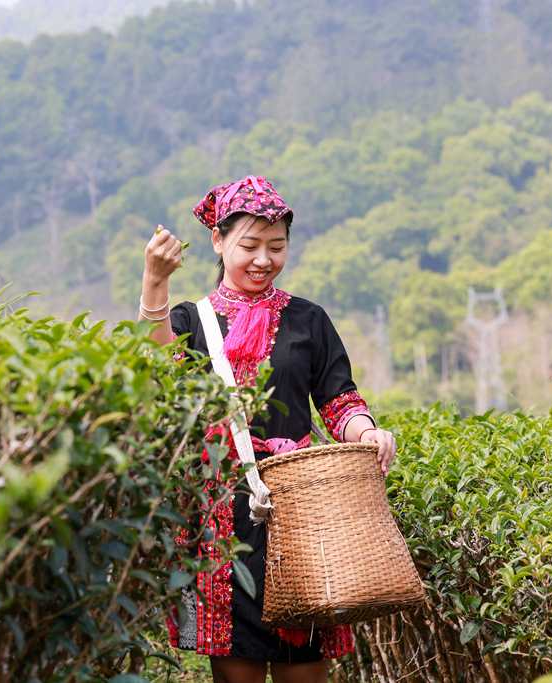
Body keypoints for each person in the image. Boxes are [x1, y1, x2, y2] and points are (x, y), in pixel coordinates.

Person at [138, 175, 397, 683]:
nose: (264, 260)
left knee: (306, 669)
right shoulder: (194, 321)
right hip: (224, 517)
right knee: (238, 670)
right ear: (218, 241)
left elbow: (339, 400)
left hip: (302, 512)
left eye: (276, 247)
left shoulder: (308, 320)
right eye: (249, 245)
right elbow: (158, 374)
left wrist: (367, 433)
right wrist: (154, 283)